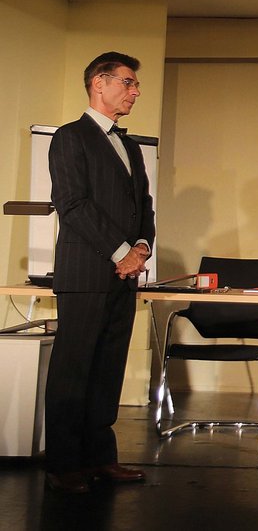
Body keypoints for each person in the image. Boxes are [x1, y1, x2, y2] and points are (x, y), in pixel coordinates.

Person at [45, 52, 155, 494]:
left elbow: (143, 206)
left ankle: (100, 458)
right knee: (73, 370)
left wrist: (142, 247)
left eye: (135, 85)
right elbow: (72, 205)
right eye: (128, 82)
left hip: (124, 275)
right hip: (86, 272)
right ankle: (64, 465)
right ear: (99, 83)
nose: (135, 91)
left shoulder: (130, 146)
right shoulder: (70, 137)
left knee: (108, 369)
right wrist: (121, 252)